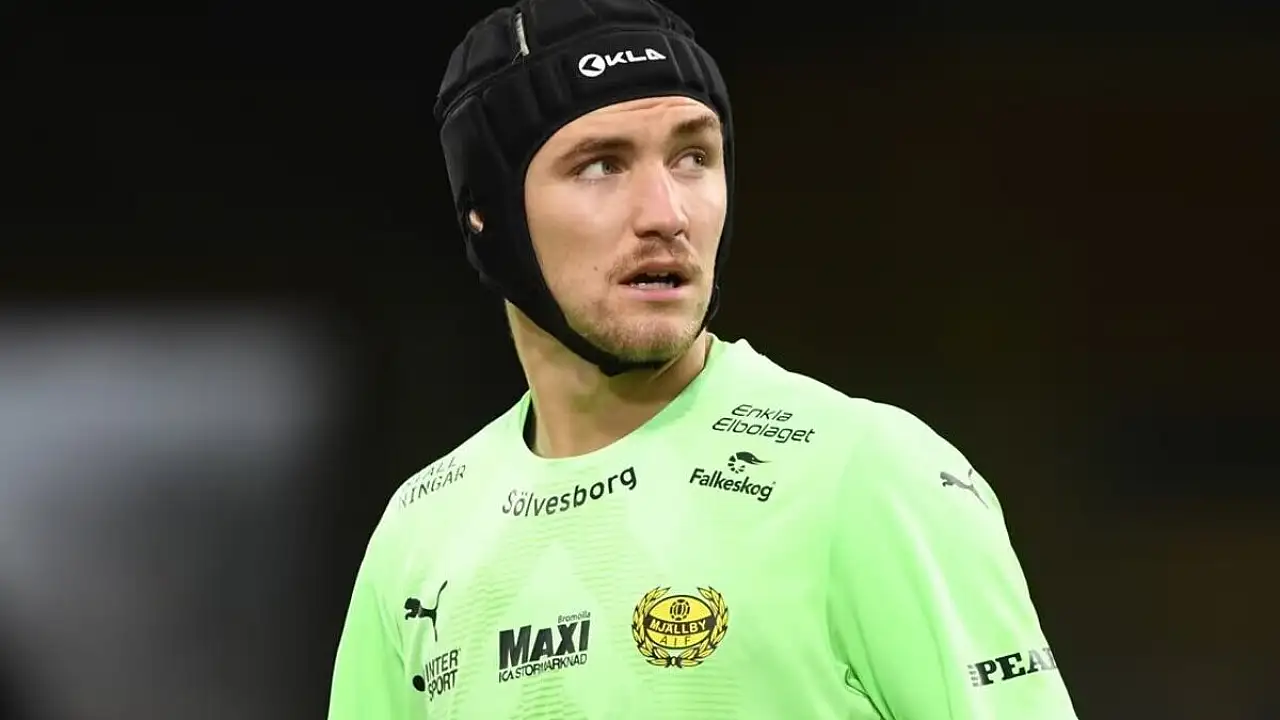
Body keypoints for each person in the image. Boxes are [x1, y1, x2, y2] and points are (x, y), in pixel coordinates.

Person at [327, 0, 1079, 717]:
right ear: (485, 216)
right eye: (601, 165)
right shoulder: (420, 533)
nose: (667, 214)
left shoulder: (867, 473)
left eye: (693, 156)